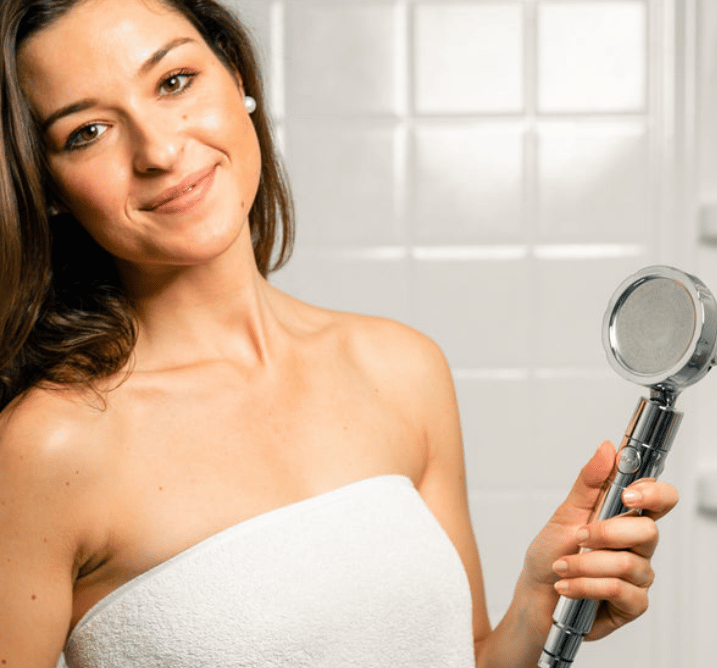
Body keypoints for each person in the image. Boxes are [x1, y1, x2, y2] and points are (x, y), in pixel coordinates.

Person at [0, 0, 678, 666]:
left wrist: (537, 608)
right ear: (49, 185)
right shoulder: (48, 447)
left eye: (175, 82)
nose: (159, 149)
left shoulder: (401, 369)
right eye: (87, 131)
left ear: (237, 79)